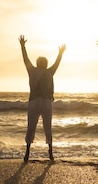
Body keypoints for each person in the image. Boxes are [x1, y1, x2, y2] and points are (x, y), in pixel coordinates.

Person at [19, 34, 66, 162]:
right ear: (44, 64)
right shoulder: (48, 72)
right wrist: (60, 53)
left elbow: (25, 59)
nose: (44, 64)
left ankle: (28, 153)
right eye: (44, 62)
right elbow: (57, 63)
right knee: (47, 126)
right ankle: (49, 153)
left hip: (35, 101)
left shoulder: (33, 71)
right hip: (45, 101)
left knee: (32, 127)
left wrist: (22, 46)